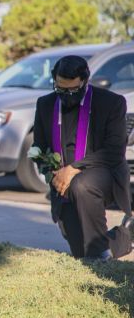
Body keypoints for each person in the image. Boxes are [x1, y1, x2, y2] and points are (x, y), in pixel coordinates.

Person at [33, 55, 133, 260]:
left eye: (73, 90)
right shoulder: (45, 104)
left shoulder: (111, 103)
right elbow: (38, 148)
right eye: (60, 89)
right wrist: (51, 173)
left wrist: (73, 169)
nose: (66, 95)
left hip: (105, 174)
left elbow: (114, 152)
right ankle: (126, 234)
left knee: (81, 184)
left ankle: (100, 257)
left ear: (85, 81)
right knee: (82, 252)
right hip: (63, 180)